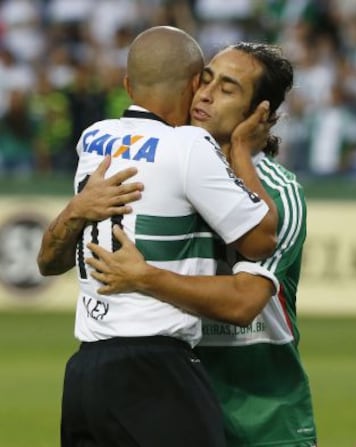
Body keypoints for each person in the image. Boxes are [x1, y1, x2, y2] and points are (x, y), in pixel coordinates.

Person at [37, 27, 279, 447]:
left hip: (83, 377)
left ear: (128, 85)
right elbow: (260, 240)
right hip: (156, 374)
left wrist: (75, 209)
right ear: (192, 86)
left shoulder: (92, 139)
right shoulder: (187, 144)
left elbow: (48, 263)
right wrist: (241, 147)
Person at [84, 43, 317, 446]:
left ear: (261, 114)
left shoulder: (280, 194)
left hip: (264, 419)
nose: (206, 94)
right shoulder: (167, 166)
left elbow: (243, 304)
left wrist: (143, 277)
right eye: (205, 80)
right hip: (175, 404)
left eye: (228, 89)